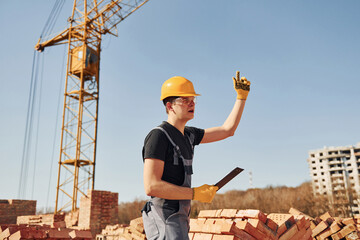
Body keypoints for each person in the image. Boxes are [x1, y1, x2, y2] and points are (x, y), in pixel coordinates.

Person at [141, 71, 251, 240]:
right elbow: (152, 186)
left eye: (193, 99)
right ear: (170, 106)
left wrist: (241, 98)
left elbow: (228, 130)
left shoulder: (189, 135)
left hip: (181, 218)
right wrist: (194, 193)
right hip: (164, 219)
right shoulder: (158, 136)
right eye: (185, 100)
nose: (191, 103)